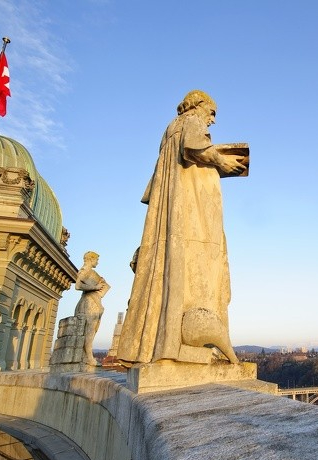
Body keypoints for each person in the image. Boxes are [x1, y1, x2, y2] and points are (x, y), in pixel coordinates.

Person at [118, 90, 245, 365]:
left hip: (179, 206)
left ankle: (162, 345)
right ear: (198, 106)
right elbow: (196, 147)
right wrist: (224, 160)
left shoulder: (171, 129)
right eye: (212, 112)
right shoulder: (191, 121)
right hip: (193, 212)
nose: (212, 120)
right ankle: (184, 348)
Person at [74, 251, 110, 365]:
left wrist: (101, 283)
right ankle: (89, 358)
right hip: (88, 303)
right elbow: (78, 286)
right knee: (89, 331)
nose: (97, 262)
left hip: (94, 302)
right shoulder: (85, 270)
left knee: (92, 330)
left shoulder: (91, 272)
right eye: (96, 260)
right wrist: (95, 287)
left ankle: (86, 357)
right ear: (90, 259)